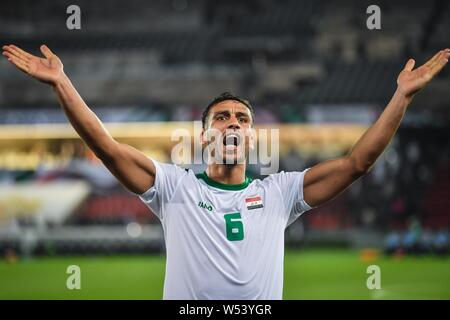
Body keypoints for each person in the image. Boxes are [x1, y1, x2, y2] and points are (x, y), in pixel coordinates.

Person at [2, 44, 449, 299]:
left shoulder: (281, 191)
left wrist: (402, 98)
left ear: (253, 136)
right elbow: (106, 146)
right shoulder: (173, 187)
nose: (232, 123)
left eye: (242, 118)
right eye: (221, 117)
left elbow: (357, 162)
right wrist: (63, 84)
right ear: (204, 136)